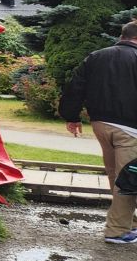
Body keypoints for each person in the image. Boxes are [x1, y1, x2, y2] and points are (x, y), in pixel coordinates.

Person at [59, 20, 137, 245]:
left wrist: (71, 116)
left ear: (123, 36)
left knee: (116, 175)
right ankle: (117, 231)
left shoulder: (97, 56)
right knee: (128, 178)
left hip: (100, 124)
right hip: (130, 129)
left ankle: (128, 222)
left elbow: (75, 86)